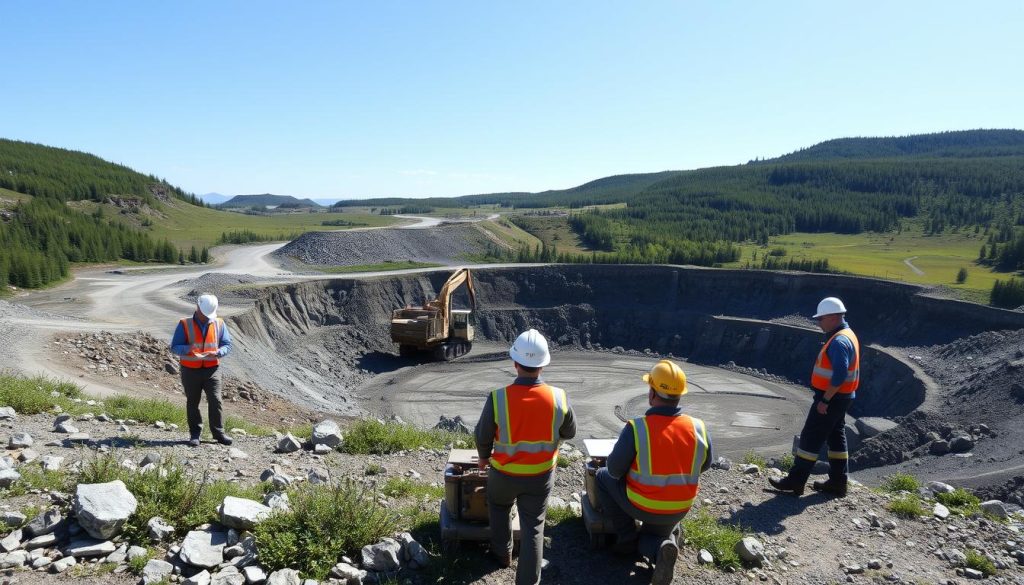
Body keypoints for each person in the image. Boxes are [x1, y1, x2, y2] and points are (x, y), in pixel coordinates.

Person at [595, 359, 712, 585]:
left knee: (601, 477)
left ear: (652, 392)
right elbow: (705, 465)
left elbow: (614, 470)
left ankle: (626, 538)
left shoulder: (637, 428)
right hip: (679, 507)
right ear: (680, 395)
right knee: (656, 535)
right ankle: (661, 550)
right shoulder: (698, 427)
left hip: (642, 503)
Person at [474, 329, 576, 585]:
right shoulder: (558, 397)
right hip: (540, 477)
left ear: (515, 363)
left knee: (498, 508)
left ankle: (502, 554)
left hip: (504, 474)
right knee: (533, 528)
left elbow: (482, 435)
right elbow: (570, 432)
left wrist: (484, 458)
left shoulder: (498, 398)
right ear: (542, 365)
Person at [769, 296, 860, 497]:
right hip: (844, 397)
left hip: (831, 398)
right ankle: (838, 482)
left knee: (811, 437)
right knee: (836, 436)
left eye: (821, 318)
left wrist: (825, 400)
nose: (818, 323)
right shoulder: (848, 334)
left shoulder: (839, 341)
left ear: (834, 317)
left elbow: (839, 374)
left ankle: (795, 482)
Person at [170, 294, 234, 447]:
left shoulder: (219, 323)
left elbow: (227, 344)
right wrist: (188, 349)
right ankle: (195, 434)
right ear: (197, 308)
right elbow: (174, 347)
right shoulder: (185, 324)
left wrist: (218, 352)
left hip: (212, 369)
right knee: (193, 402)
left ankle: (218, 433)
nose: (207, 318)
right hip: (190, 370)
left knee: (215, 399)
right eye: (204, 314)